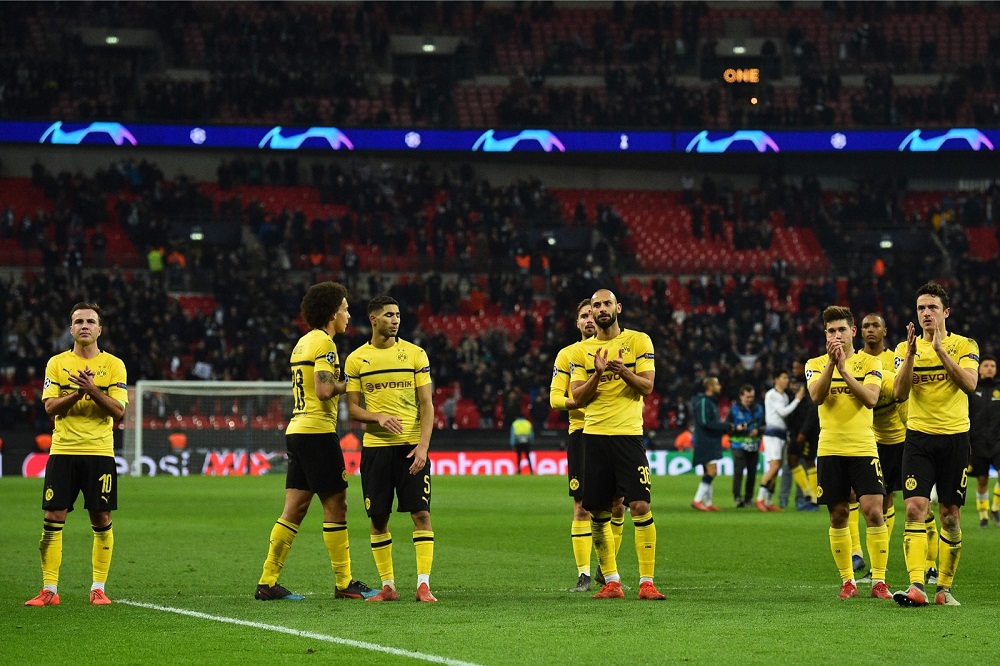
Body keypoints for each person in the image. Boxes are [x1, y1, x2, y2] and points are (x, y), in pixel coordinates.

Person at [255, 282, 376, 601]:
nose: (349, 315)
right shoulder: (324, 343)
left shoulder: (302, 343)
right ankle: (344, 582)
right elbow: (324, 390)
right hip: (317, 433)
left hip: (297, 430)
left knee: (293, 510)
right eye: (346, 308)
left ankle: (268, 581)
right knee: (337, 506)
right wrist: (346, 384)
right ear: (333, 311)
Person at [26, 302, 128, 607]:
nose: (85, 326)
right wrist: (78, 393)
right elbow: (49, 407)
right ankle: (49, 590)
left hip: (100, 451)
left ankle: (98, 587)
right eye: (79, 321)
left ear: (99, 329)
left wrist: (93, 390)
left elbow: (119, 411)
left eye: (90, 321)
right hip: (63, 451)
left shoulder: (114, 365)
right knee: (52, 517)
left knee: (101, 515)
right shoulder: (57, 363)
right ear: (71, 329)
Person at [570, 288, 665, 601]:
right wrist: (597, 375)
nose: (601, 309)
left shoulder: (639, 341)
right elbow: (577, 398)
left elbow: (648, 387)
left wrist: (622, 370)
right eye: (595, 305)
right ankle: (611, 581)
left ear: (618, 307)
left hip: (627, 435)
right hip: (594, 436)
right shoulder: (580, 352)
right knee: (597, 511)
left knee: (640, 504)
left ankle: (647, 582)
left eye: (606, 303)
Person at [345, 295, 437, 603]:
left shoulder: (414, 354)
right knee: (378, 519)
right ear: (374, 320)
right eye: (389, 315)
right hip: (376, 450)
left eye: (398, 314)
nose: (396, 320)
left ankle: (423, 584)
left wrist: (423, 446)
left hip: (411, 447)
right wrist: (378, 416)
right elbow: (353, 410)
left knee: (421, 513)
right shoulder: (357, 359)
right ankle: (388, 586)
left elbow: (427, 404)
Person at [893, 281, 979, 607]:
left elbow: (970, 384)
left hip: (956, 437)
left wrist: (941, 351)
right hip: (918, 437)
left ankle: (944, 588)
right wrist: (914, 354)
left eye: (932, 308)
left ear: (946, 311)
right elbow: (900, 393)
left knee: (950, 516)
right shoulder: (905, 349)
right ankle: (916, 585)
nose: (926, 313)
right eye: (920, 309)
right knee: (915, 507)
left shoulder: (964, 344)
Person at [806, 305, 891, 601]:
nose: (837, 335)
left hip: (863, 447)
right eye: (831, 331)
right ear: (825, 333)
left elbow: (870, 399)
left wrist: (845, 370)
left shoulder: (870, 362)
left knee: (874, 511)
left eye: (842, 329)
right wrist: (832, 365)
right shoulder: (815, 364)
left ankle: (879, 581)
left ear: (853, 331)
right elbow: (817, 396)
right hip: (830, 449)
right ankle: (848, 581)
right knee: (838, 514)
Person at [551, 299, 627, 592]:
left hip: (617, 431)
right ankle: (583, 574)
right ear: (578, 322)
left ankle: (606, 569)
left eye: (591, 314)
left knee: (619, 505)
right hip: (582, 432)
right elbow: (555, 398)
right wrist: (577, 402)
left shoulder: (621, 347)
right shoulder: (568, 355)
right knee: (582, 506)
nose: (589, 319)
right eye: (582, 315)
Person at [854, 313, 908, 583]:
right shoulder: (856, 361)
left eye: (875, 325)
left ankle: (880, 567)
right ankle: (857, 554)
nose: (871, 329)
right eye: (866, 326)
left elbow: (903, 392)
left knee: (889, 500)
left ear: (885, 330)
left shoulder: (892, 360)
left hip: (898, 438)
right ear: (859, 331)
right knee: (857, 496)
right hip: (867, 439)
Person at [756, 370, 804, 512]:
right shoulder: (772, 394)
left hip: (781, 434)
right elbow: (783, 412)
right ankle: (759, 499)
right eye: (783, 377)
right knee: (774, 467)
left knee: (777, 470)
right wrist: (797, 399)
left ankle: (769, 502)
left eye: (787, 378)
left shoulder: (783, 395)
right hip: (772, 434)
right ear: (776, 379)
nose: (786, 380)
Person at [969, 353, 1000, 528]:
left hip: (997, 442)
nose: (989, 368)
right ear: (979, 369)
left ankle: (995, 508)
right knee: (982, 480)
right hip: (978, 442)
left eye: (993, 366)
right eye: (986, 365)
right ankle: (983, 516)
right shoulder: (972, 389)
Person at [691, 376, 730, 512]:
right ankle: (697, 500)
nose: (720, 387)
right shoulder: (703, 401)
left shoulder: (711, 402)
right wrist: (725, 426)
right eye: (717, 384)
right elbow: (704, 422)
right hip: (705, 441)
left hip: (710, 440)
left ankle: (707, 503)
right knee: (713, 471)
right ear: (710, 387)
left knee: (707, 472)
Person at [727, 384, 764, 508]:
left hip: (753, 445)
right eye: (747, 397)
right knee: (739, 471)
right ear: (741, 396)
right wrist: (735, 428)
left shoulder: (758, 408)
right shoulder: (734, 410)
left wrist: (758, 431)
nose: (750, 399)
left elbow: (765, 425)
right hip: (738, 445)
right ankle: (738, 498)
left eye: (752, 397)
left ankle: (748, 498)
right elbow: (727, 426)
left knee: (752, 473)